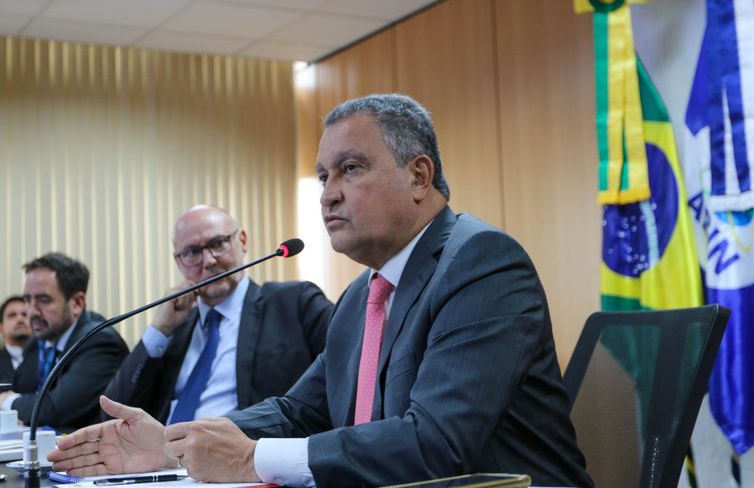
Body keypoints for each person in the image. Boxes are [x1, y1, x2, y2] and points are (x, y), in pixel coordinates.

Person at [49, 94, 593, 487]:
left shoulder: (481, 262)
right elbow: (298, 411)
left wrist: (252, 459)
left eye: (349, 169)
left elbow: (436, 444)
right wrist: (173, 443)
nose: (328, 196)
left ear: (419, 176)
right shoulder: (365, 293)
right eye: (322, 178)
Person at [104, 205, 332, 424]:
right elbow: (112, 414)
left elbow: (347, 374)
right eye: (192, 252)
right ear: (179, 261)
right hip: (164, 459)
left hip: (246, 455)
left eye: (218, 243)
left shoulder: (293, 303)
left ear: (242, 241)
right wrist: (159, 330)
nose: (210, 261)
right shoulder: (176, 331)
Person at [0, 253, 129, 432]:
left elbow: (51, 410)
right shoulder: (38, 343)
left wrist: (7, 401)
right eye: (28, 300)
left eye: (43, 300)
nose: (32, 311)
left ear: (77, 303)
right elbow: (21, 390)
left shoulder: (99, 341)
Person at [0, 295, 32, 382]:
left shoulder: (49, 358)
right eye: (12, 315)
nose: (20, 319)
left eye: (25, 314)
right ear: (1, 328)